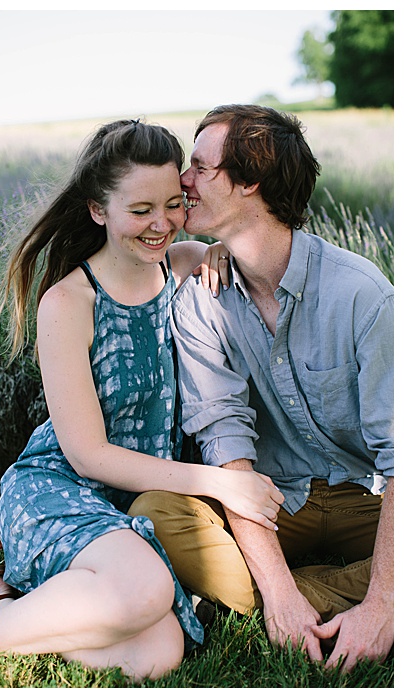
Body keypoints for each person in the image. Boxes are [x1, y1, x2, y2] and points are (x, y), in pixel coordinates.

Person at [0, 120, 285, 680]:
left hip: (133, 506)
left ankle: (22, 608)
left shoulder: (185, 263)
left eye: (174, 204)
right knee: (145, 588)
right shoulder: (69, 302)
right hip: (61, 491)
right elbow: (89, 457)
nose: (161, 225)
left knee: (156, 654)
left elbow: (227, 253)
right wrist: (220, 482)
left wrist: (218, 249)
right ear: (99, 210)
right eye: (141, 209)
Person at [128, 104, 393, 673]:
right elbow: (227, 445)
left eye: (200, 167)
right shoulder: (202, 295)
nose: (182, 181)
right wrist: (277, 588)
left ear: (250, 182)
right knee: (156, 516)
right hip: (274, 502)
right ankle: (292, 595)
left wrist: (380, 604)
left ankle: (364, 598)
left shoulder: (362, 296)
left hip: (367, 501)